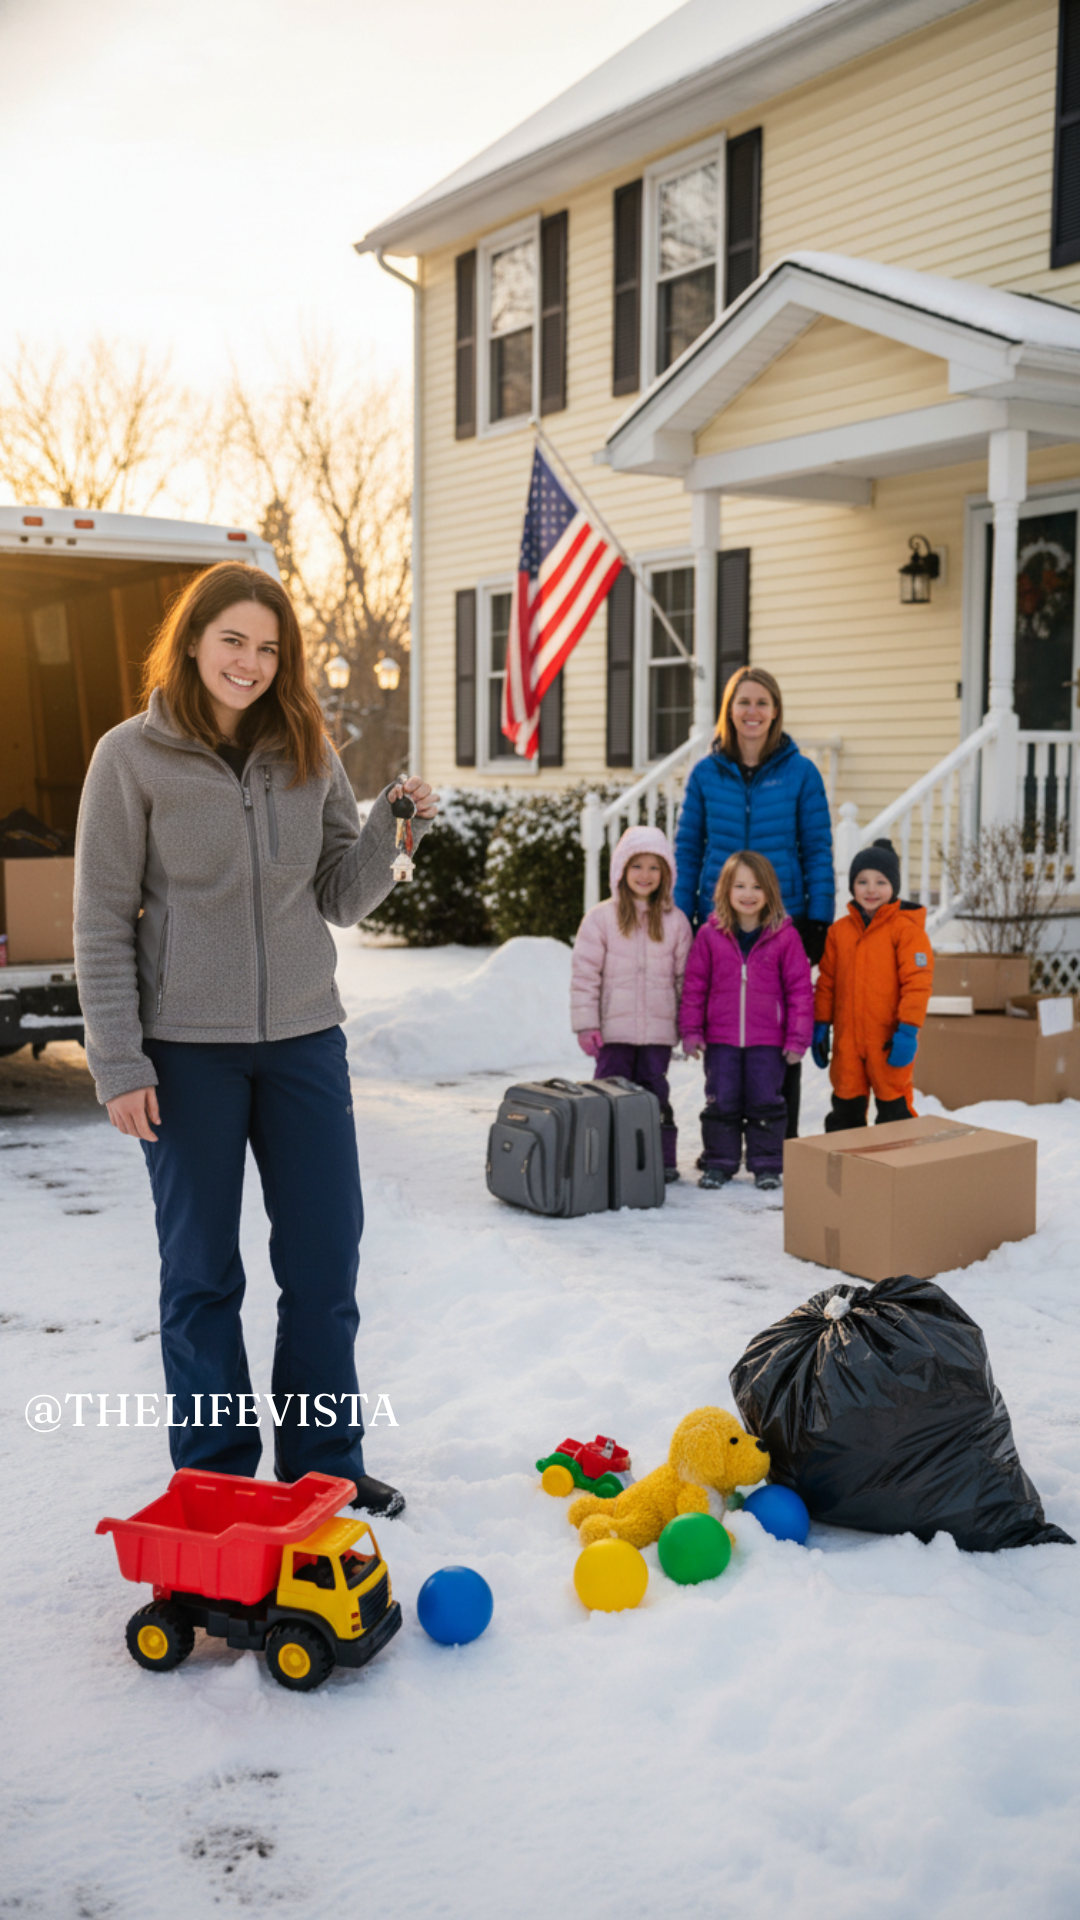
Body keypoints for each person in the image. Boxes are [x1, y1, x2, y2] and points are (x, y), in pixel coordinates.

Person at [73, 561, 438, 1516]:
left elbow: (339, 896)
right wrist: (118, 1061)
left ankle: (326, 1461)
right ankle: (215, 1475)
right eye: (233, 639)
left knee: (324, 1261)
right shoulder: (129, 758)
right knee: (201, 1272)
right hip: (185, 1053)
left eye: (269, 648)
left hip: (305, 1044)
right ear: (193, 641)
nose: (250, 662)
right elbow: (101, 920)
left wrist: (394, 830)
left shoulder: (307, 748)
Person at [673, 667, 835, 1138]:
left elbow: (817, 846)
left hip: (784, 920)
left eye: (762, 702)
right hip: (719, 920)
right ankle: (723, 1136)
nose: (753, 711)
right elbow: (688, 846)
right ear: (729, 710)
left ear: (776, 711)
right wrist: (684, 916)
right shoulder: (705, 773)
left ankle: (778, 1140)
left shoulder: (800, 772)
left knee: (779, 1024)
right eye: (743, 702)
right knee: (727, 1023)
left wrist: (818, 919)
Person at [679, 850, 813, 1190]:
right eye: (739, 885)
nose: (748, 894)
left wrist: (797, 1039)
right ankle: (720, 1162)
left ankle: (767, 1163)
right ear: (726, 889)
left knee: (765, 1101)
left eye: (756, 886)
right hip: (721, 1039)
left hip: (768, 1041)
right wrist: (691, 1030)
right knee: (721, 1100)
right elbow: (695, 986)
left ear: (769, 891)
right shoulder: (709, 937)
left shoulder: (784, 937)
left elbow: (799, 991)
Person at [570, 825, 692, 1183]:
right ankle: (603, 1158)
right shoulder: (601, 919)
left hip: (658, 1032)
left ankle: (660, 1160)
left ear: (665, 874)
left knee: (655, 1097)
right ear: (622, 869)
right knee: (608, 1092)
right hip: (613, 1032)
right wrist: (586, 1024)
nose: (645, 875)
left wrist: (688, 1027)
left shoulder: (676, 921)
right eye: (637, 865)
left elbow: (686, 979)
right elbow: (585, 976)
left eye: (654, 867)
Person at [812, 837, 934, 1131]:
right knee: (845, 1108)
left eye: (880, 882)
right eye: (862, 881)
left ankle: (896, 1169)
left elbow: (917, 984)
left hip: (888, 1041)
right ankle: (844, 1170)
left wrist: (908, 1030)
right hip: (847, 1043)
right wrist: (820, 1023)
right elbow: (827, 981)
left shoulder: (906, 931)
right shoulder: (839, 932)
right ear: (852, 885)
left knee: (894, 1109)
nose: (870, 889)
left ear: (894, 887)